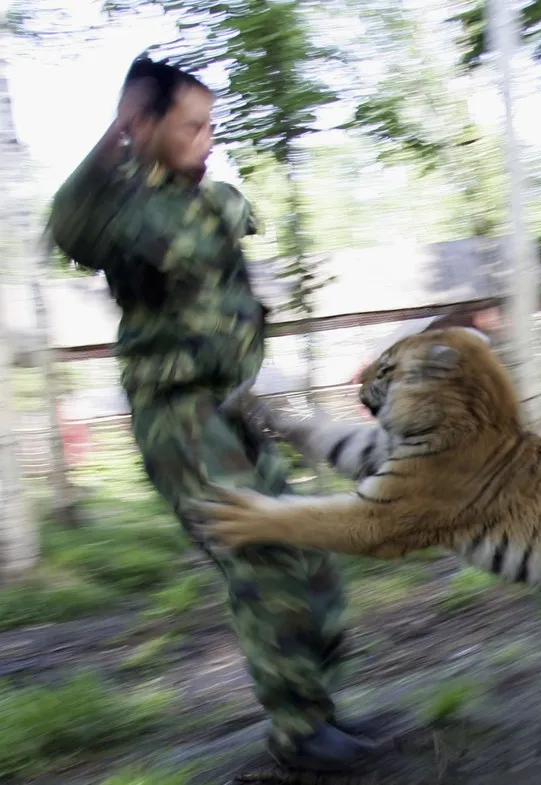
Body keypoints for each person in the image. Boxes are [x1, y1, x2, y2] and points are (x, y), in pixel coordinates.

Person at [46, 55, 381, 774]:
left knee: (312, 549)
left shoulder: (218, 200)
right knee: (260, 555)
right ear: (148, 124)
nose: (207, 136)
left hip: (236, 408)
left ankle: (317, 709)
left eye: (211, 124)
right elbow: (67, 223)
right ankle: (298, 733)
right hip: (178, 418)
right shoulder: (119, 211)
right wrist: (117, 133)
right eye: (191, 125)